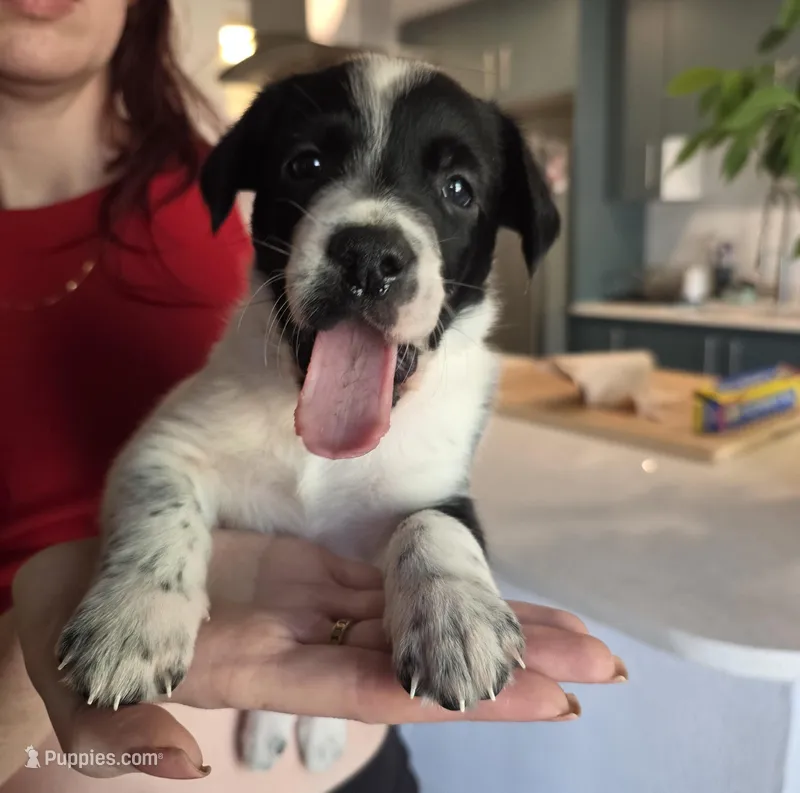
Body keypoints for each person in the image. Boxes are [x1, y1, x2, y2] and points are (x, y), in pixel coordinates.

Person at [0, 0, 626, 789]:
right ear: (248, 199)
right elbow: (168, 462)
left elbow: (422, 506)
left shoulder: (451, 392)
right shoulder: (239, 344)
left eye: (457, 188)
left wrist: (434, 563)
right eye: (310, 166)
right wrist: (118, 590)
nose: (372, 236)